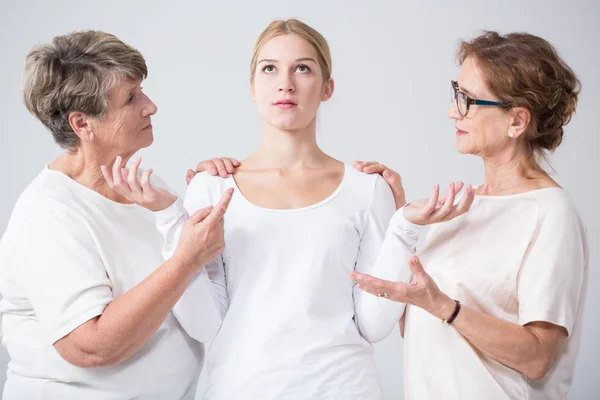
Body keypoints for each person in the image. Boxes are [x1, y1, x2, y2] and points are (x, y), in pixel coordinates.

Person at [106, 19, 472, 399]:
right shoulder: (211, 187)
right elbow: (206, 324)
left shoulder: (368, 189)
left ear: (327, 88)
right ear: (252, 87)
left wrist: (404, 227)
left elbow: (373, 325)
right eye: (269, 69)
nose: (286, 83)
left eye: (303, 68)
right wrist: (169, 216)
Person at [351, 31, 589, 400]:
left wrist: (442, 305)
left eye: (467, 100)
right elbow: (421, 326)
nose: (452, 111)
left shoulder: (550, 213)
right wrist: (401, 217)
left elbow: (539, 357)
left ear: (516, 121)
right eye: (455, 93)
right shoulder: (463, 204)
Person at [0, 30, 232, 399]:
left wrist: (206, 189)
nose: (150, 106)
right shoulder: (47, 215)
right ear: (82, 124)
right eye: (131, 98)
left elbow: (197, 295)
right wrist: (186, 259)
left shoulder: (145, 185)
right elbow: (90, 346)